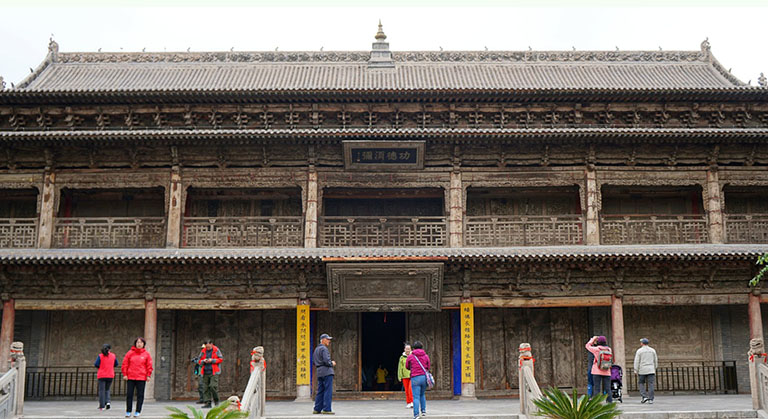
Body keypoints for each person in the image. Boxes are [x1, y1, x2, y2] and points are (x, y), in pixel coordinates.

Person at [122, 337, 153, 417]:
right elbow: (125, 364)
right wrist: (125, 374)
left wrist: (148, 375)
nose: (139, 344)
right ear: (135, 344)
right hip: (131, 377)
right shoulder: (130, 353)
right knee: (129, 394)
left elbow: (149, 365)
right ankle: (128, 411)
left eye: (141, 343)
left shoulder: (146, 354)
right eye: (138, 342)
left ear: (143, 344)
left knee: (140, 395)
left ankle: (138, 411)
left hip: (141, 377)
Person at [406, 340, 430, 419]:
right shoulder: (425, 356)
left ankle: (416, 415)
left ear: (413, 348)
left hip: (415, 377)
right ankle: (423, 411)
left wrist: (412, 368)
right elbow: (428, 366)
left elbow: (407, 366)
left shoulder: (411, 356)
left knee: (416, 397)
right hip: (423, 377)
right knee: (422, 394)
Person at [312, 333, 336, 415]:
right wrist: (332, 363)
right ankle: (326, 409)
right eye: (328, 339)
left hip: (319, 372)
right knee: (327, 391)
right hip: (327, 372)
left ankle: (317, 408)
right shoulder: (324, 349)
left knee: (320, 391)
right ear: (323, 340)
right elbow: (326, 361)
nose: (329, 341)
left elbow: (314, 362)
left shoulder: (316, 349)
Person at [585, 336, 612, 402]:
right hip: (607, 371)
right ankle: (610, 403)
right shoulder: (609, 349)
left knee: (597, 388)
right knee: (608, 388)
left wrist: (592, 339)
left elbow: (587, 346)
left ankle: (596, 403)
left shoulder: (597, 349)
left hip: (597, 371)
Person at [198, 339, 223, 408]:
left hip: (214, 372)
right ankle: (207, 403)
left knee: (213, 386)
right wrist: (203, 361)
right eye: (206, 347)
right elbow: (199, 360)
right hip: (205, 371)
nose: (207, 348)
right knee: (205, 388)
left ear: (212, 344)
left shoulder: (216, 350)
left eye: (209, 347)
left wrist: (212, 360)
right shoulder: (203, 351)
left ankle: (216, 401)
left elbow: (220, 359)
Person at [94, 343, 118, 411]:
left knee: (102, 390)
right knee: (107, 389)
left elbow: (96, 364)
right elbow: (116, 364)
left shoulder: (100, 356)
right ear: (110, 349)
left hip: (102, 375)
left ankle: (102, 405)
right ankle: (108, 402)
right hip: (110, 375)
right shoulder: (113, 356)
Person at [634, 337, 658, 404]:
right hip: (651, 369)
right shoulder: (652, 350)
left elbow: (637, 361)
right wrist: (655, 368)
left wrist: (636, 369)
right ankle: (651, 399)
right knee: (651, 384)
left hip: (642, 370)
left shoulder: (639, 351)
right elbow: (655, 360)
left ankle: (644, 396)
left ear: (642, 343)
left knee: (641, 383)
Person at [398, 344, 413, 408]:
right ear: (404, 349)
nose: (407, 350)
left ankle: (412, 401)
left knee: (410, 389)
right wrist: (399, 376)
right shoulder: (402, 357)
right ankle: (408, 402)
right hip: (404, 376)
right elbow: (400, 367)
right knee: (406, 390)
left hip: (412, 375)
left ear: (411, 349)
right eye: (406, 349)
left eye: (408, 349)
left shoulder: (413, 356)